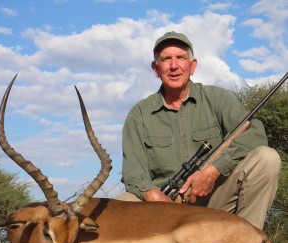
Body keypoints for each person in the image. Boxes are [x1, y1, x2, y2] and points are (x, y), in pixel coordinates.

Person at [117, 31, 280, 230]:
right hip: (162, 208)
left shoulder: (217, 98)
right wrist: (152, 193)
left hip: (214, 201)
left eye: (181, 58)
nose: (174, 65)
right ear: (156, 69)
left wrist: (214, 170)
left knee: (267, 158)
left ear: (192, 66)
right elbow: (133, 173)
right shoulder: (139, 114)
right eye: (166, 59)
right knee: (123, 203)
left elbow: (255, 133)